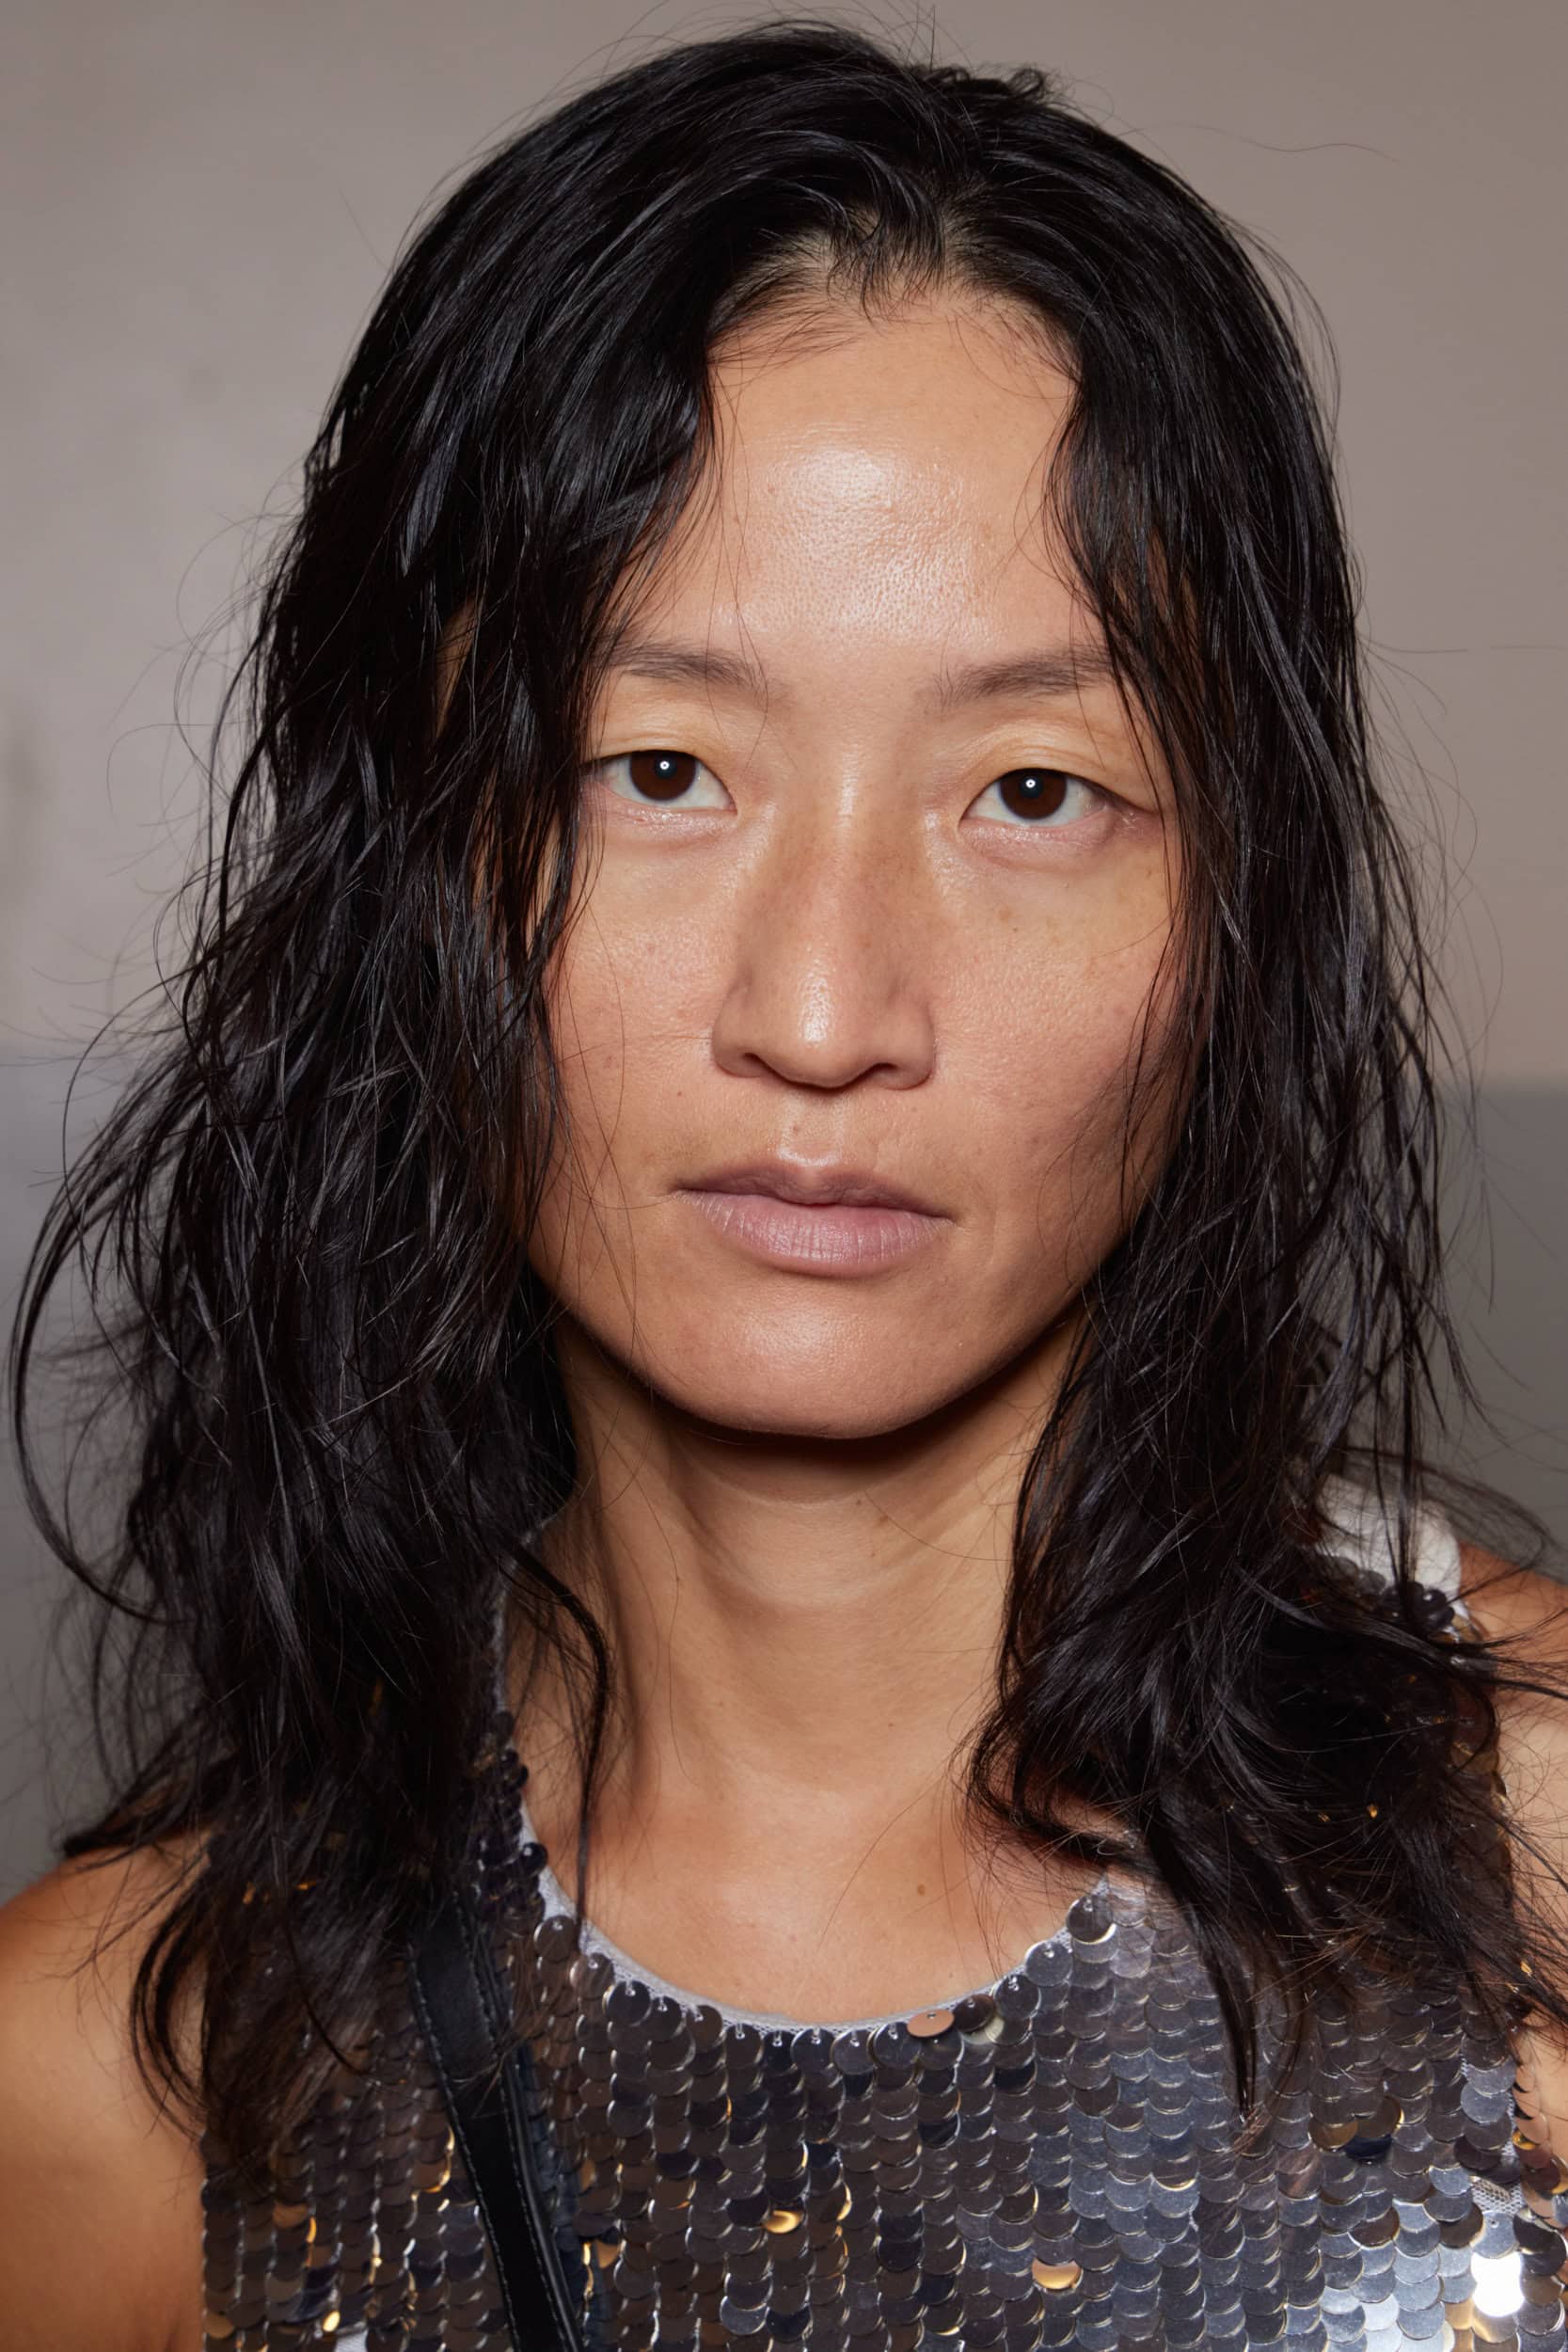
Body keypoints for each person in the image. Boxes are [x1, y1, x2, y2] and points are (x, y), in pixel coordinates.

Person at [2, 20, 1565, 2352]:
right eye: (656, 768)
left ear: (1240, 926)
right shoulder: (119, 2086)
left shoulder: (1535, 1880)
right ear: (408, 873)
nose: (825, 1011)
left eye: (1032, 791)